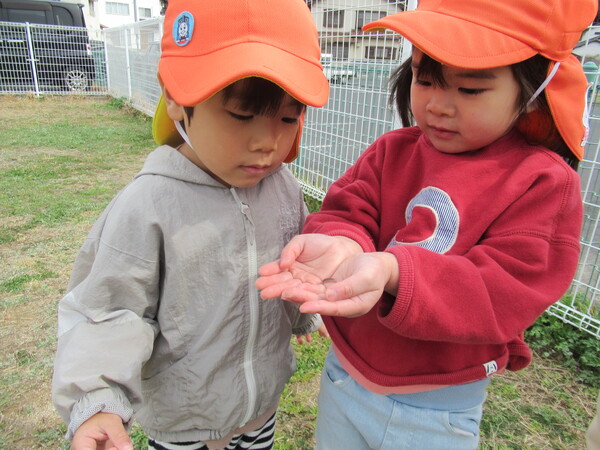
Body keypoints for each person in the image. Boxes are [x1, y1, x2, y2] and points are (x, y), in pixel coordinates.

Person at [256, 0, 596, 448]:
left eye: (470, 89)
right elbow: (346, 209)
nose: (437, 105)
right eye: (424, 78)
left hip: (438, 402)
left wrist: (394, 271)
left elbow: (505, 288)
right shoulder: (393, 151)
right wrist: (345, 244)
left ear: (532, 88)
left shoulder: (541, 181)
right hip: (345, 371)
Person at [51, 0, 330, 449]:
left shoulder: (283, 187)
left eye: (288, 116)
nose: (267, 142)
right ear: (177, 98)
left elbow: (295, 268)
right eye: (242, 114)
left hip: (261, 406)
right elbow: (109, 311)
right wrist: (97, 400)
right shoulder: (148, 204)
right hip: (185, 418)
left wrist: (307, 313)